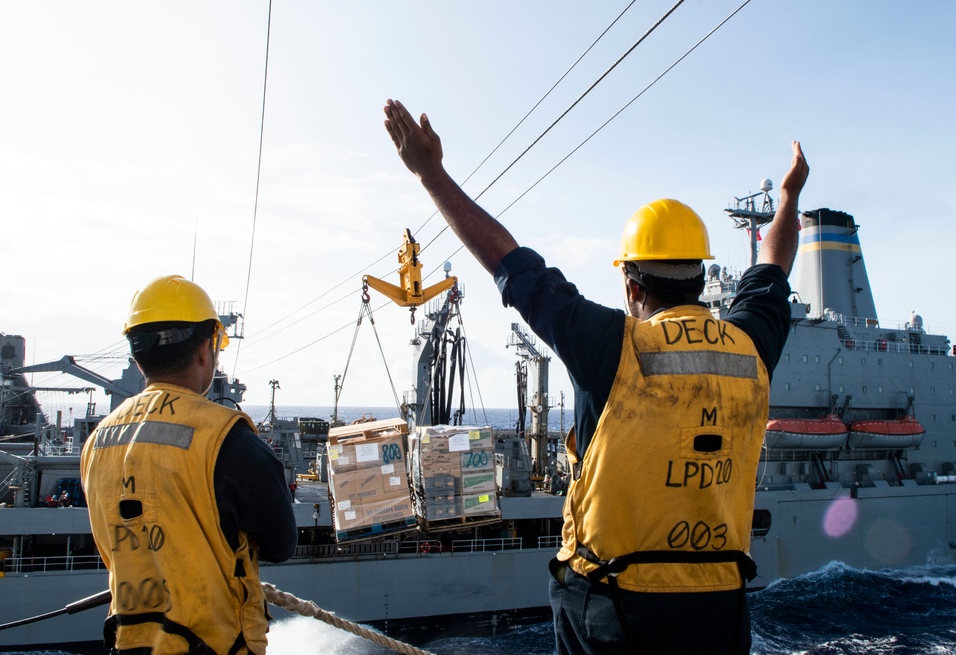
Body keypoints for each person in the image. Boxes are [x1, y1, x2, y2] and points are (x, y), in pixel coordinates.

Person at [384, 98, 808, 655]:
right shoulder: (750, 346)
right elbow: (774, 267)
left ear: (632, 284)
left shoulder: (610, 344)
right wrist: (789, 197)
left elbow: (511, 264)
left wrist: (430, 174)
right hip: (719, 606)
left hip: (615, 606)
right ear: (701, 277)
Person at [80, 275, 297, 655]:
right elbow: (281, 544)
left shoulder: (97, 440)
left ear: (137, 355)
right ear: (205, 350)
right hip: (213, 646)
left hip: (130, 644)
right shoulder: (228, 437)